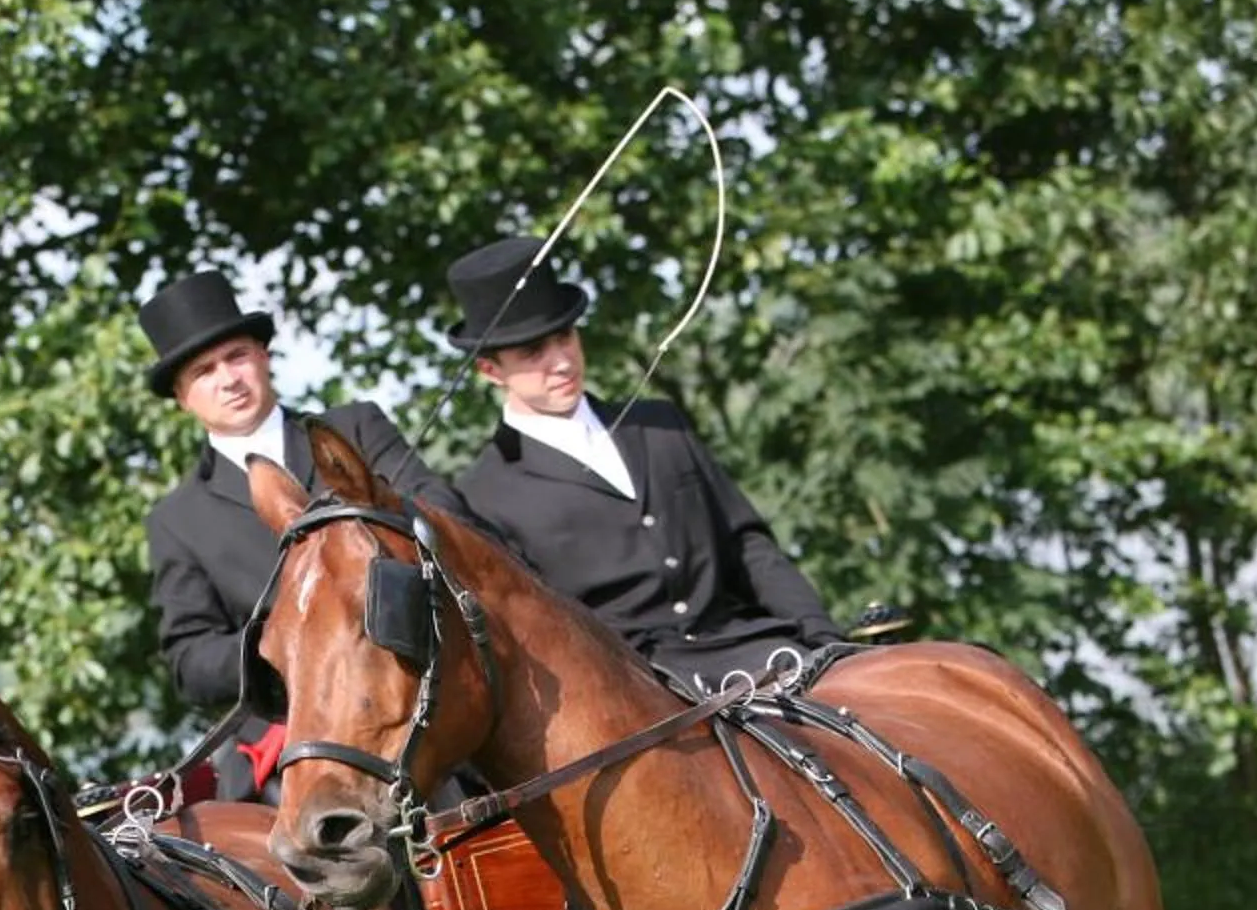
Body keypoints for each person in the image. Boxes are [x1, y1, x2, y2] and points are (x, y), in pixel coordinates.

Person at [441, 236, 845, 684]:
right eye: (533, 353)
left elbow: (749, 545)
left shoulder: (659, 424)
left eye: (564, 338)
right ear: (491, 370)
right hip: (641, 694)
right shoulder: (484, 494)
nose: (561, 362)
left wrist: (826, 642)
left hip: (755, 650)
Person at [138, 270, 472, 796]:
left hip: (414, 702)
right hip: (294, 742)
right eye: (204, 371)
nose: (229, 379)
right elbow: (191, 663)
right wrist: (288, 637)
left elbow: (448, 515)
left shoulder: (356, 429)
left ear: (265, 357)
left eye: (238, 356)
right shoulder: (177, 520)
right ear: (182, 397)